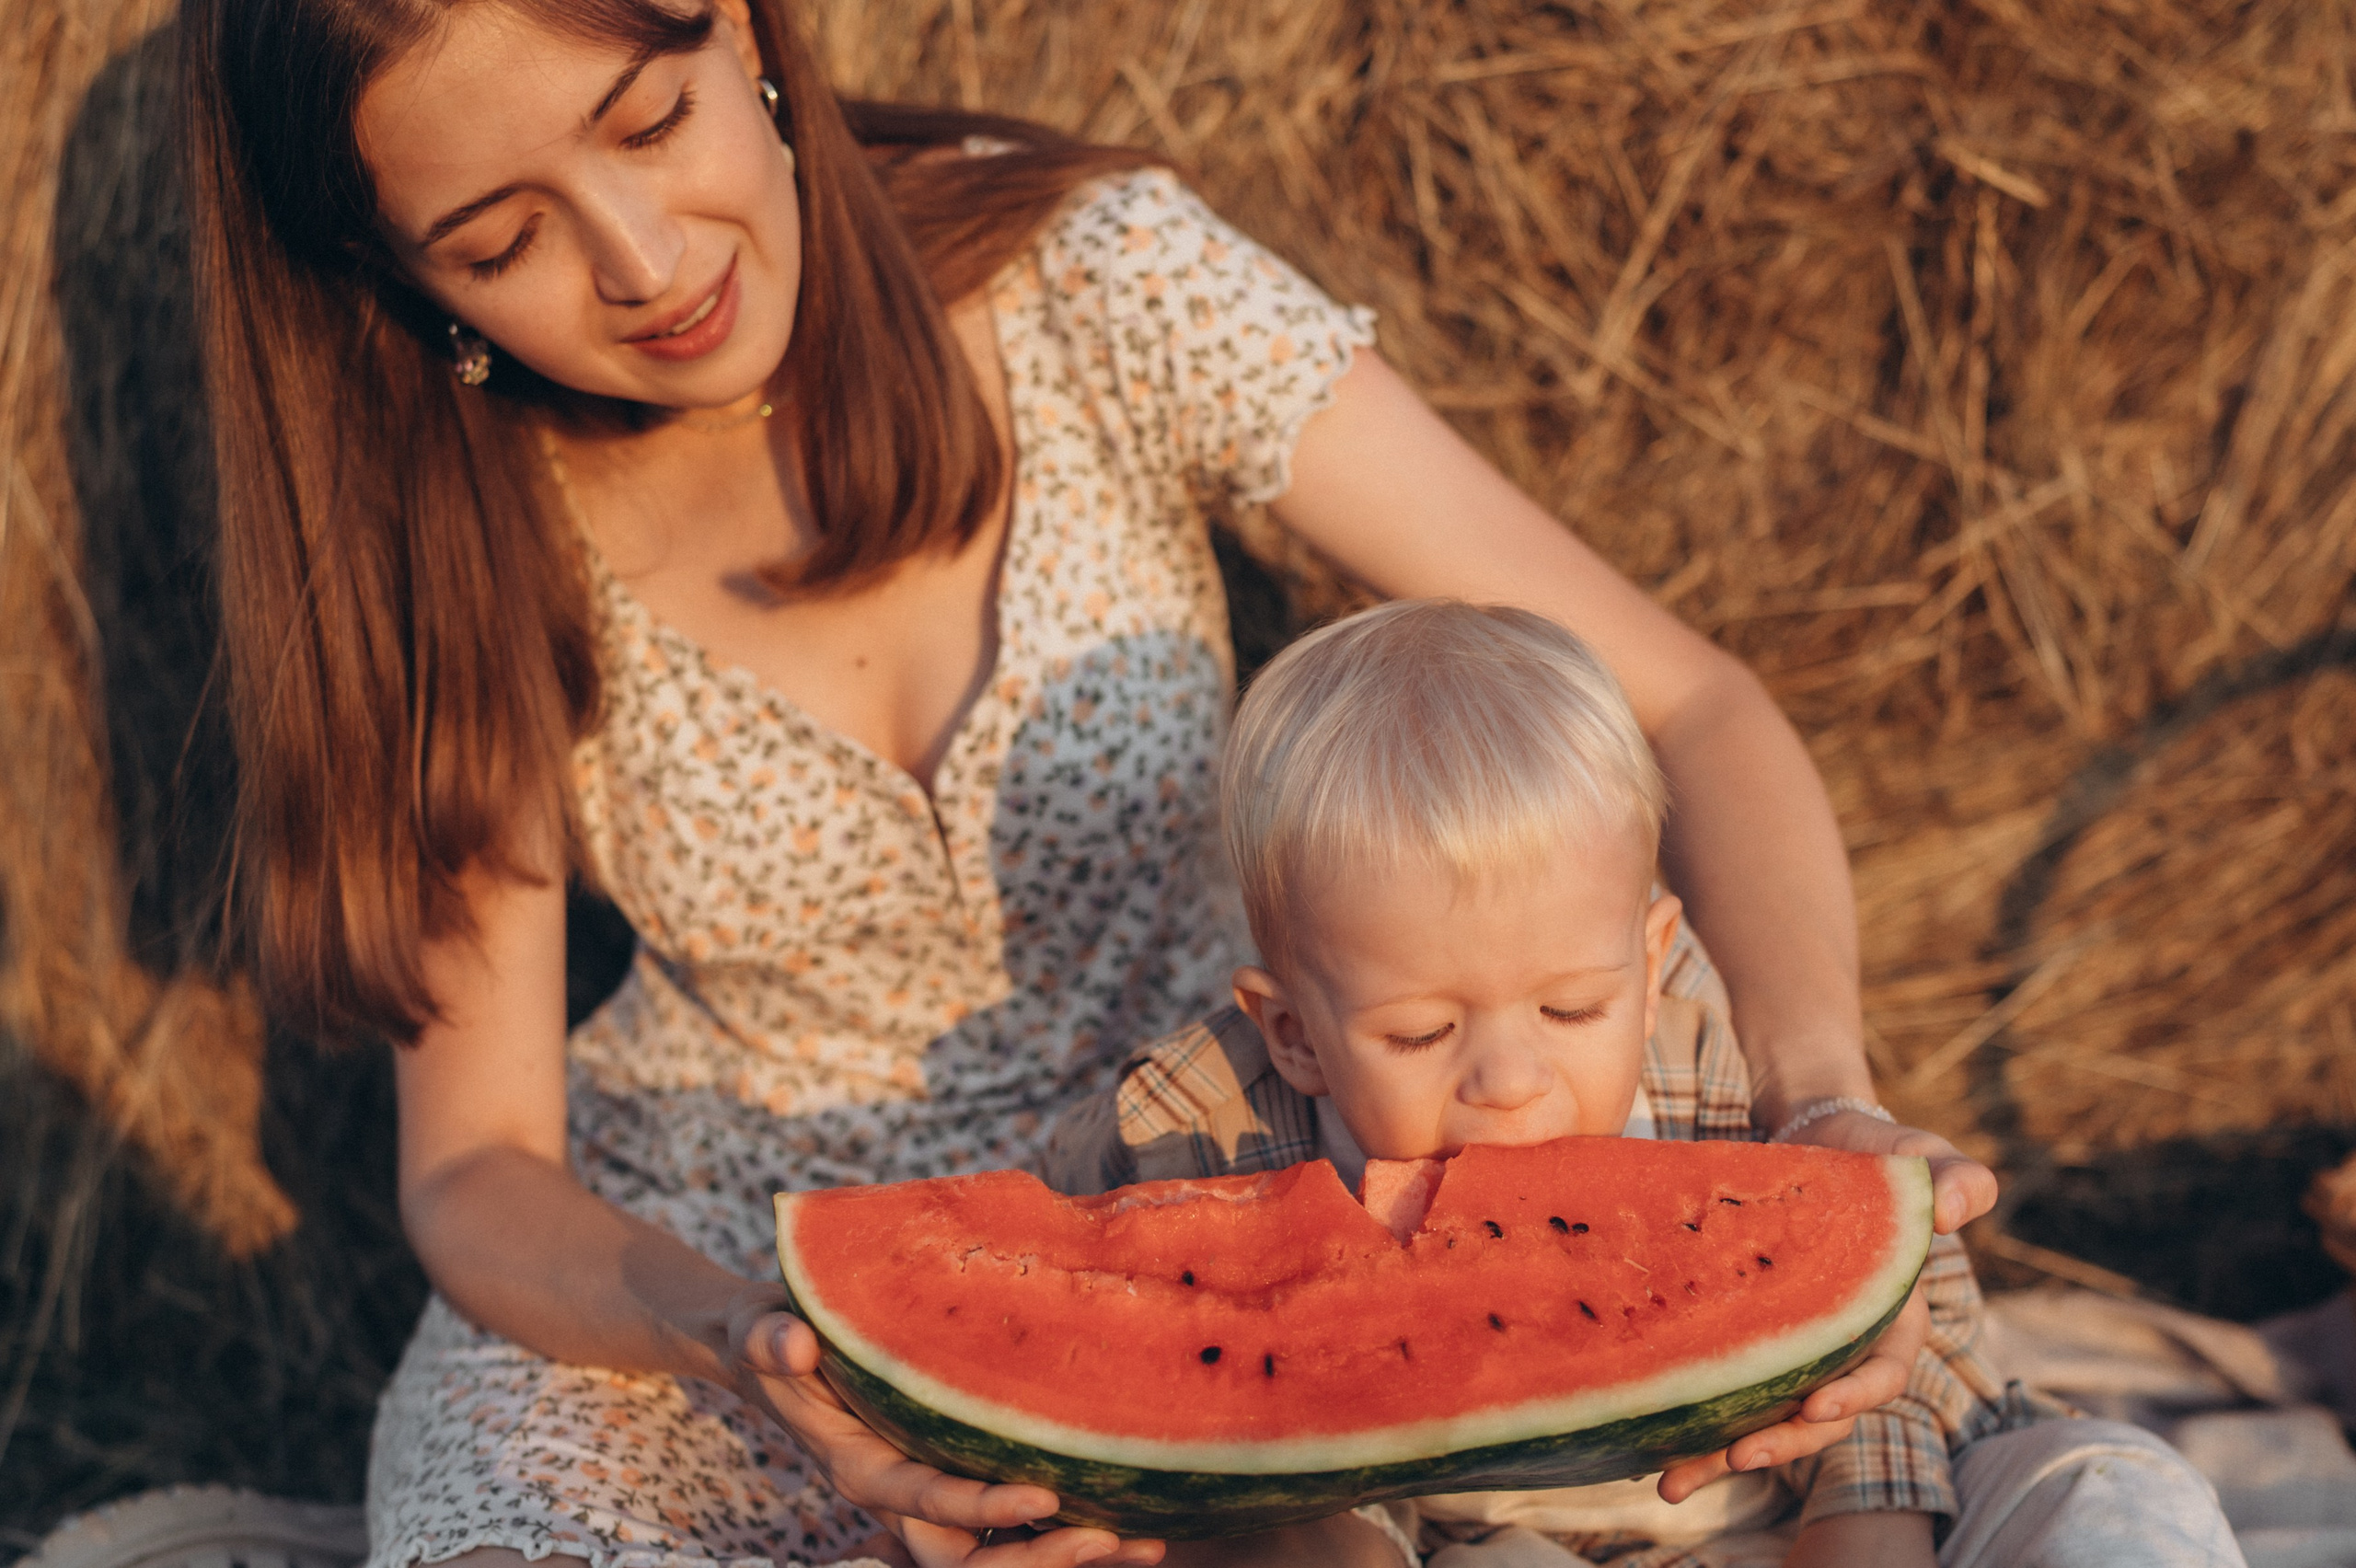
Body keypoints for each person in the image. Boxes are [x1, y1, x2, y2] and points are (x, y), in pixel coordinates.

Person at [180, 0, 2000, 1562]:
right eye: (499, 241)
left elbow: (1685, 707)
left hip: (1246, 1175)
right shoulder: (448, 526)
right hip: (711, 1276)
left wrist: (1818, 1100)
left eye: (649, 122)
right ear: (401, 281)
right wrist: (755, 1339)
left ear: (734, 27)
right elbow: (479, 1170)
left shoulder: (1091, 279)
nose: (644, 261)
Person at [1044, 599, 2245, 1568]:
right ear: (1294, 1034)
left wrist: (1862, 1536)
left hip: (1807, 1522)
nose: (1509, 1082)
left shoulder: (1704, 1066)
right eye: (1420, 1033)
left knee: (2120, 1490)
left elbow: (1884, 1341)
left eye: (1573, 1009)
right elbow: (1050, 1323)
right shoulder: (1188, 1136)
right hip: (1466, 1544)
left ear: (1656, 955)